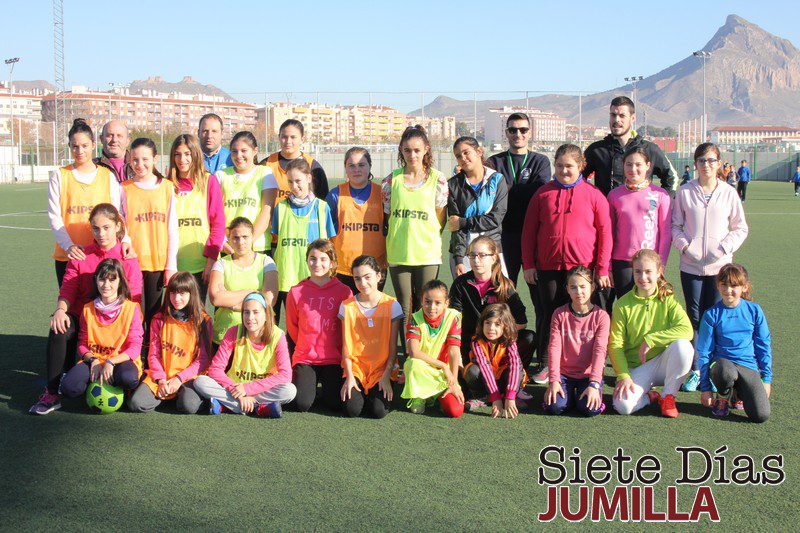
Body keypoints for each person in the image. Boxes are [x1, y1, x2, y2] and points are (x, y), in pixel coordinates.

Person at [30, 203, 143, 415]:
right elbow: (69, 287)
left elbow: (134, 298)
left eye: (107, 227)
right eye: (96, 228)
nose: (101, 234)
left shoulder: (127, 256)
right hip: (86, 318)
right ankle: (52, 393)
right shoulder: (81, 255)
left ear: (118, 226)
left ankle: (121, 376)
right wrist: (61, 310)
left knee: (128, 376)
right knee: (59, 327)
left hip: (116, 322)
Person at [521, 144, 612, 383]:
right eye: (559, 166)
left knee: (579, 317)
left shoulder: (594, 195)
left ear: (581, 165)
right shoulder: (542, 194)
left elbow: (605, 234)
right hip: (548, 267)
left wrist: (601, 268)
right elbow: (529, 232)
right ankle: (545, 362)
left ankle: (585, 365)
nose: (563, 171)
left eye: (569, 166)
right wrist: (529, 264)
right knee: (549, 314)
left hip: (581, 268)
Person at [672, 142, 748, 391]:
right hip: (691, 268)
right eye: (702, 160)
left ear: (719, 163)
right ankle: (696, 370)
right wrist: (686, 247)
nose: (706, 165)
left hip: (720, 269)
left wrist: (724, 248)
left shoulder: (729, 193)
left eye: (712, 160)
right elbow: (675, 227)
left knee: (715, 318)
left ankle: (714, 371)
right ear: (695, 164)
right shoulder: (684, 192)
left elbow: (740, 228)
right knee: (695, 319)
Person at [382, 126, 448, 348]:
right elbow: (389, 215)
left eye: (417, 150)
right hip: (399, 254)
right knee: (404, 307)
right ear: (401, 150)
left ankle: (425, 355)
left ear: (426, 150)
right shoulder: (391, 180)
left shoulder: (438, 180)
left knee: (426, 306)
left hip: (427, 254)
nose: (412, 155)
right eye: (408, 150)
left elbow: (440, 218)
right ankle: (409, 357)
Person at [486, 112, 551, 336]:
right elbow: (491, 195)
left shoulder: (540, 161)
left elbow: (538, 194)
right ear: (506, 133)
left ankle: (543, 352)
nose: (518, 134)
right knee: (501, 295)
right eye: (513, 130)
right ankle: (502, 348)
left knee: (540, 299)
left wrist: (507, 191)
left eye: (523, 130)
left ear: (529, 133)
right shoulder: (495, 161)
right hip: (504, 237)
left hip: (533, 237)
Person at [610, 249, 694, 418]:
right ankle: (650, 396)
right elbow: (615, 345)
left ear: (658, 272)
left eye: (648, 272)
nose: (643, 277)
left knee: (683, 346)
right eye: (638, 272)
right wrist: (624, 375)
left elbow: (687, 330)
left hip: (663, 363)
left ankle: (668, 396)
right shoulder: (623, 304)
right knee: (623, 407)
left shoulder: (667, 298)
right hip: (637, 367)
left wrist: (651, 339)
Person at [48, 119, 127, 286]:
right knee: (70, 308)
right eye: (74, 146)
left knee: (99, 307)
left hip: (100, 255)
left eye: (84, 145)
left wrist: (126, 240)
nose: (79, 151)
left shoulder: (107, 176)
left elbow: (117, 215)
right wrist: (69, 246)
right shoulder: (59, 176)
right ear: (70, 147)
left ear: (93, 144)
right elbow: (55, 217)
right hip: (69, 255)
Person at [194, 292, 297, 417]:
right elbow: (215, 369)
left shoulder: (277, 335)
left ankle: (229, 405)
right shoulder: (233, 332)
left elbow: (285, 375)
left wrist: (248, 390)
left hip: (261, 390)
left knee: (290, 390)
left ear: (266, 314)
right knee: (200, 381)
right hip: (234, 388)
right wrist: (237, 391)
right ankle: (257, 407)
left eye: (255, 312)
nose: (250, 317)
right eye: (246, 312)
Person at [59, 258, 144, 406]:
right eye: (102, 279)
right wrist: (93, 360)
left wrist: (111, 362)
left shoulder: (131, 308)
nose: (106, 285)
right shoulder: (87, 309)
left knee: (128, 379)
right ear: (96, 280)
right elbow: (82, 343)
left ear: (120, 282)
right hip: (95, 359)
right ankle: (94, 382)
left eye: (112, 280)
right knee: (69, 388)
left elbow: (135, 347)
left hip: (120, 360)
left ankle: (118, 386)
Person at [697, 264, 772, 422]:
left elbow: (763, 346)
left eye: (734, 285)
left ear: (744, 287)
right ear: (717, 285)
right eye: (724, 284)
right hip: (722, 366)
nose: (728, 289)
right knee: (725, 370)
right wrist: (705, 389)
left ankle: (737, 394)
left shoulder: (754, 310)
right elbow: (704, 352)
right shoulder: (711, 314)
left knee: (761, 415)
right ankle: (723, 395)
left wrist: (766, 379)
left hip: (747, 366)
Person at [129, 272, 212, 414]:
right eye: (172, 293)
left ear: (192, 294)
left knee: (188, 406)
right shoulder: (159, 319)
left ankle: (179, 395)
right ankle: (167, 393)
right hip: (162, 375)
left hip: (187, 378)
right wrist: (161, 379)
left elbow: (203, 360)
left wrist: (179, 379)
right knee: (136, 404)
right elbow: (153, 355)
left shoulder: (203, 321)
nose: (176, 298)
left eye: (182, 293)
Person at [286, 239, 352, 412]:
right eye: (313, 258)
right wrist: (305, 346)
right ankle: (310, 386)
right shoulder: (296, 292)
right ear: (307, 260)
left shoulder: (344, 292)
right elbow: (292, 328)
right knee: (301, 404)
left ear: (332, 263)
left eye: (323, 259)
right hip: (306, 358)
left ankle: (323, 389)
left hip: (333, 359)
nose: (317, 264)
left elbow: (347, 329)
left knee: (335, 403)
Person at [449, 236, 535, 368]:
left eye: (482, 255)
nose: (476, 260)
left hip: (498, 342)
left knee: (529, 337)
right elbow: (454, 319)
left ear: (493, 258)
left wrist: (496, 334)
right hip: (471, 343)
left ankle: (514, 373)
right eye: (472, 255)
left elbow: (521, 321)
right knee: (473, 377)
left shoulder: (504, 285)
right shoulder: (461, 284)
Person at [121, 138, 178, 333]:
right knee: (135, 313)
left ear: (155, 159)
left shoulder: (167, 187)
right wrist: (126, 241)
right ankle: (134, 356)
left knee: (155, 315)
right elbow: (121, 226)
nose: (140, 164)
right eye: (135, 160)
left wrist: (171, 266)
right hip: (132, 263)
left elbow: (172, 228)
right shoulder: (123, 188)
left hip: (157, 263)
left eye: (145, 159)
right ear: (129, 159)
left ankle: (151, 356)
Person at [271, 158, 336, 321]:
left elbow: (330, 244)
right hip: (287, 278)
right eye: (290, 182)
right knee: (292, 324)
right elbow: (276, 242)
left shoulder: (322, 207)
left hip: (313, 277)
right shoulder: (281, 207)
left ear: (309, 178)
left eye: (298, 180)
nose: (294, 186)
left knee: (311, 323)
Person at [339, 255, 403, 418]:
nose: (363, 283)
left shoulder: (392, 305)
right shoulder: (347, 306)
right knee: (352, 410)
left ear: (379, 276)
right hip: (357, 368)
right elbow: (345, 347)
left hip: (381, 369)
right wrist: (350, 377)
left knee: (378, 411)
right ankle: (362, 393)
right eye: (357, 278)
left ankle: (374, 394)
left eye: (367, 277)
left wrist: (386, 376)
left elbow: (393, 347)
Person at [543, 266, 609, 417]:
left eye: (583, 286)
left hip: (587, 375)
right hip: (564, 374)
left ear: (592, 287)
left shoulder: (601, 316)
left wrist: (594, 383)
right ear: (567, 289)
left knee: (589, 409)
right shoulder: (559, 314)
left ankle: (580, 396)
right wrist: (554, 380)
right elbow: (554, 348)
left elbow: (600, 351)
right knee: (554, 407)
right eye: (573, 287)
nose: (578, 292)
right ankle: (568, 397)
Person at [167, 134, 226, 302]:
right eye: (177, 154)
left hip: (201, 264)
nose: (182, 159)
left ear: (196, 155)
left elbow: (218, 224)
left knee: (197, 314)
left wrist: (211, 259)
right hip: (175, 264)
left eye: (187, 154)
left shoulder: (209, 181)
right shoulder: (167, 185)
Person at [608, 147, 671, 299]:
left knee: (649, 309)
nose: (633, 169)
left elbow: (666, 232)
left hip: (649, 263)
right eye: (628, 164)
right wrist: (608, 265)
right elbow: (608, 233)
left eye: (638, 164)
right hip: (622, 263)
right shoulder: (614, 195)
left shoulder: (660, 194)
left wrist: (660, 265)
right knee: (625, 307)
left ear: (647, 165)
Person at [583, 96, 676, 196]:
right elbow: (578, 178)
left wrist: (664, 202)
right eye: (613, 115)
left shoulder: (649, 149)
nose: (616, 120)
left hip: (640, 211)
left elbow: (671, 177)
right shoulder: (596, 150)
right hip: (606, 211)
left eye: (622, 116)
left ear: (633, 118)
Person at [326, 147, 387, 293]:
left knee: (371, 313)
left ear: (370, 166)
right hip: (343, 269)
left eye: (361, 165)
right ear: (345, 168)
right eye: (351, 166)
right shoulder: (335, 195)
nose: (356, 170)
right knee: (345, 313)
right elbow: (325, 232)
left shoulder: (382, 194)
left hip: (374, 269)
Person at [401, 280, 464, 417]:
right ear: (422, 300)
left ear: (446, 303)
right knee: (414, 364)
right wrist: (443, 366)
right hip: (423, 370)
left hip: (442, 374)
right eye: (427, 301)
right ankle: (419, 396)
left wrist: (454, 382)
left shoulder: (454, 317)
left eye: (438, 303)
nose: (431, 307)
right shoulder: (415, 318)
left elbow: (454, 351)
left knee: (456, 411)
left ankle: (433, 396)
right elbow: (414, 352)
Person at [209, 217, 277, 345]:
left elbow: (268, 300)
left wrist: (232, 303)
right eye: (236, 238)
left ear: (252, 237)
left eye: (245, 237)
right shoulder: (221, 264)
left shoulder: (266, 262)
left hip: (259, 336)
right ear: (229, 239)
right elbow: (216, 298)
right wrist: (253, 293)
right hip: (225, 338)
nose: (240, 242)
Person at [447, 136, 508, 277]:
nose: (463, 158)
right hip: (465, 254)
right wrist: (459, 259)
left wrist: (463, 222)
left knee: (499, 297)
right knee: (467, 298)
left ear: (479, 152)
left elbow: (495, 219)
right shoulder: (453, 185)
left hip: (491, 251)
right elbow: (456, 229)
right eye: (458, 156)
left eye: (466, 152)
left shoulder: (497, 180)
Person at [463, 303, 524, 419]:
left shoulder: (510, 341)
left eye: (497, 324)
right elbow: (485, 368)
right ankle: (483, 398)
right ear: (482, 324)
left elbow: (515, 367)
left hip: (502, 380)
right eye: (487, 323)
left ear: (505, 326)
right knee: (472, 370)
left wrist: (510, 396)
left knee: (517, 371)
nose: (491, 328)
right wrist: (495, 398)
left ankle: (510, 397)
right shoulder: (477, 342)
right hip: (486, 381)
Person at [217, 131, 273, 254]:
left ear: (255, 151)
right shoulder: (221, 175)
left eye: (244, 150)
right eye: (234, 151)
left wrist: (247, 243)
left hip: (256, 247)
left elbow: (266, 212)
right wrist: (226, 243)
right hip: (229, 248)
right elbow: (216, 214)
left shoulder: (265, 173)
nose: (238, 155)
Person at [260, 118, 330, 209]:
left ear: (302, 139)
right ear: (279, 137)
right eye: (284, 137)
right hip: (273, 223)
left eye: (293, 137)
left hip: (303, 221)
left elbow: (322, 203)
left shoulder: (313, 167)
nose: (288, 141)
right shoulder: (266, 164)